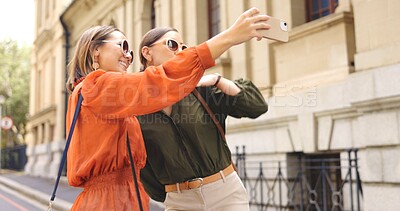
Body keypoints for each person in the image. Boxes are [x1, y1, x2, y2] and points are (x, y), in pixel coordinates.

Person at [65, 7, 269, 211]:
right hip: (116, 202)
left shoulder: (126, 100)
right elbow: (157, 82)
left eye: (130, 51)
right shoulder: (98, 87)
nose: (128, 56)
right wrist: (230, 37)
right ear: (95, 50)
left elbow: (256, 106)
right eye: (122, 46)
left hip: (137, 199)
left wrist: (217, 80)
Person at [138, 24, 268, 211]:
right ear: (147, 53)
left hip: (226, 195)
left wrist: (218, 80)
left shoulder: (199, 90)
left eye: (184, 48)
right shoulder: (136, 104)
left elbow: (257, 106)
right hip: (179, 202)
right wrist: (169, 194)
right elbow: (142, 163)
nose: (181, 52)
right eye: (172, 45)